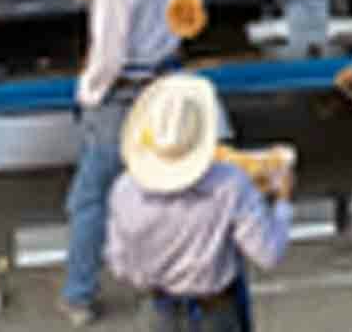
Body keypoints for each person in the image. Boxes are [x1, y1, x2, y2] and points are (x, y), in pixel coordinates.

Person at [57, 0, 186, 327]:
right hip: (164, 81)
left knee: (90, 198)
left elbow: (108, 53)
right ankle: (166, 289)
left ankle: (79, 293)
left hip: (122, 93)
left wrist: (88, 93)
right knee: (161, 194)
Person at [102, 69, 292, 332]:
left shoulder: (124, 190)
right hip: (216, 310)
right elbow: (268, 253)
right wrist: (282, 201)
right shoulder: (229, 184)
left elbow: (120, 265)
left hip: (158, 309)